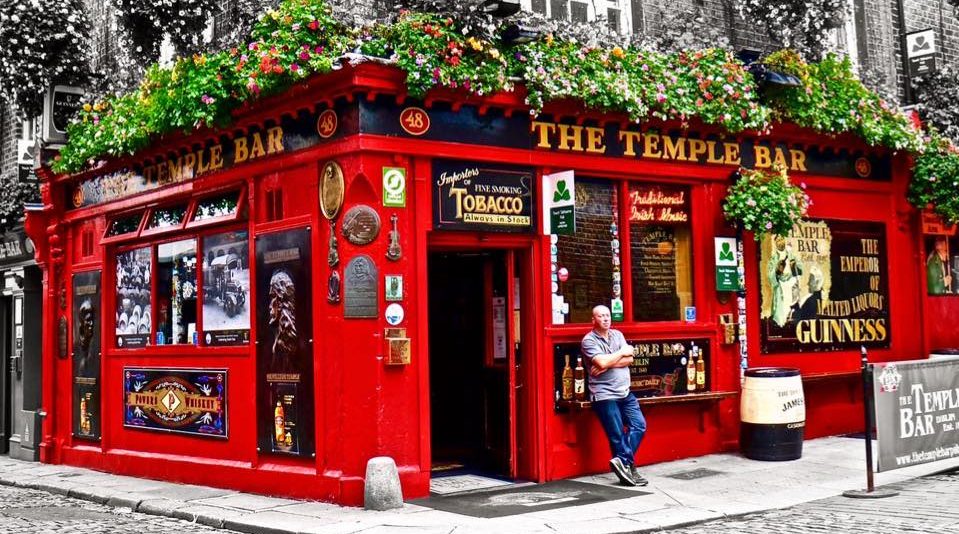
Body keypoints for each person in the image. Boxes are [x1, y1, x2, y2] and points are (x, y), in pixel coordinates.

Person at [581, 305, 648, 487]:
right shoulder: (589, 340)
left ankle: (622, 461)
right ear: (593, 320)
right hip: (604, 395)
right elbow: (602, 360)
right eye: (601, 316)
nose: (605, 319)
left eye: (608, 315)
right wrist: (619, 354)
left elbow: (630, 359)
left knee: (639, 425)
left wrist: (607, 363)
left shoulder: (618, 335)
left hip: (625, 392)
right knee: (617, 435)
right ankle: (629, 468)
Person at [767, 235, 803, 327]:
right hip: (781, 287)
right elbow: (771, 277)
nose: (780, 242)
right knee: (782, 310)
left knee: (793, 308)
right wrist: (777, 270)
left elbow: (800, 270)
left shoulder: (791, 255)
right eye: (778, 240)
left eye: (782, 239)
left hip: (792, 284)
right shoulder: (773, 259)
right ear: (775, 243)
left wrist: (794, 266)